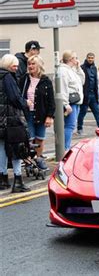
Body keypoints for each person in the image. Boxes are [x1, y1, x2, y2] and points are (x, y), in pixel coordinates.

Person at [0, 54, 30, 192]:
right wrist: (26, 103)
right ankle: (18, 181)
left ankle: (3, 179)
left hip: (1, 119)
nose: (16, 68)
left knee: (1, 149)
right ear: (7, 64)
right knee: (17, 148)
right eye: (14, 65)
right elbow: (14, 98)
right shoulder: (8, 77)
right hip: (11, 119)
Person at [19, 55, 55, 171]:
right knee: (29, 139)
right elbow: (18, 96)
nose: (30, 66)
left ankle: (39, 159)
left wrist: (50, 116)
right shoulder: (24, 79)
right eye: (29, 64)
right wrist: (25, 102)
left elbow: (51, 100)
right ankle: (28, 160)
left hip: (41, 114)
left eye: (33, 64)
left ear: (39, 65)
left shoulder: (46, 80)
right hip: (27, 114)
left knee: (39, 138)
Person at [58, 50, 85, 150]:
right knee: (69, 126)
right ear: (71, 59)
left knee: (71, 126)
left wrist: (78, 68)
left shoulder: (71, 69)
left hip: (76, 102)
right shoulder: (63, 71)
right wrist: (66, 104)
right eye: (76, 58)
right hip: (70, 102)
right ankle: (65, 148)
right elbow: (62, 88)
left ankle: (66, 147)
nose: (77, 60)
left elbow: (82, 81)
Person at [77, 53, 99, 135]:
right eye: (89, 58)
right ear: (86, 58)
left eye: (92, 58)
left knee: (97, 112)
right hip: (86, 94)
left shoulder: (94, 68)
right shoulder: (82, 68)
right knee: (82, 112)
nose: (90, 59)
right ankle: (79, 128)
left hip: (93, 95)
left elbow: (95, 81)